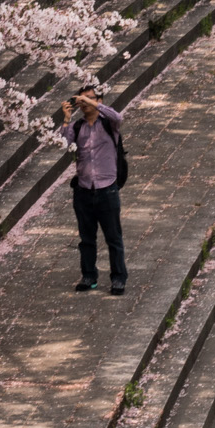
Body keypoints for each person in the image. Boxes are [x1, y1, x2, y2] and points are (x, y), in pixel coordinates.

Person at [61, 84, 127, 295]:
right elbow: (64, 143)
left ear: (99, 100)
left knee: (113, 238)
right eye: (82, 99)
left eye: (89, 99)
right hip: (83, 190)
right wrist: (66, 118)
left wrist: (93, 102)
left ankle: (118, 278)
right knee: (86, 238)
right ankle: (89, 276)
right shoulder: (78, 127)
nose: (84, 103)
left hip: (107, 189)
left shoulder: (109, 124)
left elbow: (118, 117)